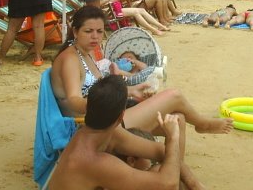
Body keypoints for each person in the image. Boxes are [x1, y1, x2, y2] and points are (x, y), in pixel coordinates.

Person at [51, 5, 234, 135]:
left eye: (99, 31)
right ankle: (202, 124)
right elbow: (74, 100)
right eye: (88, 31)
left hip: (105, 116)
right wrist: (114, 102)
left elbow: (98, 90)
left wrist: (130, 91)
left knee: (178, 119)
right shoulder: (70, 59)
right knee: (174, 96)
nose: (95, 36)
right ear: (75, 32)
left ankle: (175, 177)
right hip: (90, 125)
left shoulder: (86, 53)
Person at [47, 74, 185, 190]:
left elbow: (160, 150)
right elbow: (168, 184)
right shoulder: (94, 161)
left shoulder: (91, 134)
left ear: (88, 109)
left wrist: (195, 185)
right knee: (159, 174)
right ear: (120, 117)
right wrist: (173, 137)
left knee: (161, 169)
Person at [103, 0, 169, 35]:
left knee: (142, 10)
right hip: (111, 13)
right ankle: (153, 30)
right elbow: (102, 4)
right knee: (136, 12)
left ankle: (160, 26)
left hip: (117, 11)